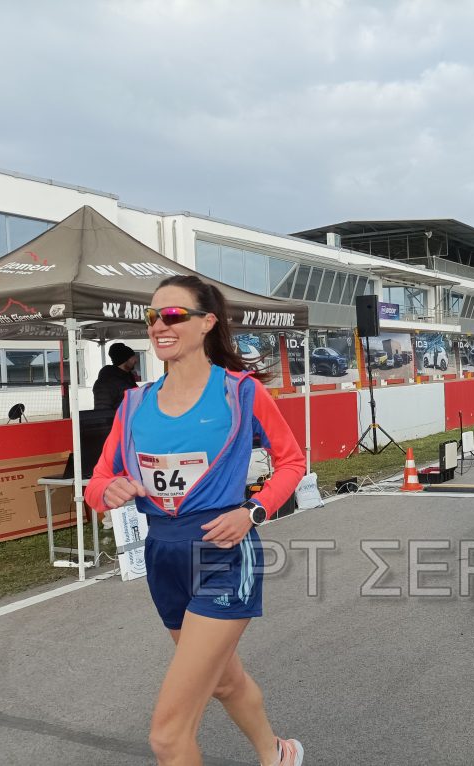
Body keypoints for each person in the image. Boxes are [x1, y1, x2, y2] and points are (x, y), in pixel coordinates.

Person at [85, 275, 306, 766]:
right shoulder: (134, 403)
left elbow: (292, 462)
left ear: (207, 323)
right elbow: (96, 484)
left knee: (167, 735)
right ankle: (278, 754)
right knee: (225, 680)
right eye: (151, 316)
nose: (159, 325)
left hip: (222, 553)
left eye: (172, 315)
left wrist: (252, 511)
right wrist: (111, 489)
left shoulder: (240, 392)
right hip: (162, 556)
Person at [92, 342, 140, 411]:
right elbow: (102, 412)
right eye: (132, 357)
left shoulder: (128, 378)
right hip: (118, 421)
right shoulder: (106, 382)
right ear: (125, 359)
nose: (136, 360)